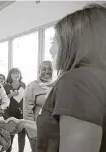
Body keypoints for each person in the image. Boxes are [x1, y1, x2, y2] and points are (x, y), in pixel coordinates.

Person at [9, 4, 106, 152]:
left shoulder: (77, 81)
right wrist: (23, 123)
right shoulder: (93, 77)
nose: (50, 49)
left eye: (54, 42)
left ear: (72, 42)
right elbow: (58, 132)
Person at [23, 60, 53, 152]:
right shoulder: (32, 86)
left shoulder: (55, 85)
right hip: (38, 131)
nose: (47, 71)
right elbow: (27, 111)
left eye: (50, 69)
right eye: (44, 69)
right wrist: (33, 133)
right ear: (39, 71)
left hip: (53, 130)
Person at [4, 68, 26, 152]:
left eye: (18, 73)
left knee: (22, 135)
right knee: (10, 135)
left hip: (21, 113)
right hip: (9, 113)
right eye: (14, 73)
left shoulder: (23, 85)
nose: (16, 75)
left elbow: (26, 98)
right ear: (10, 75)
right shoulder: (6, 86)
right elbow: (3, 99)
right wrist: (12, 94)